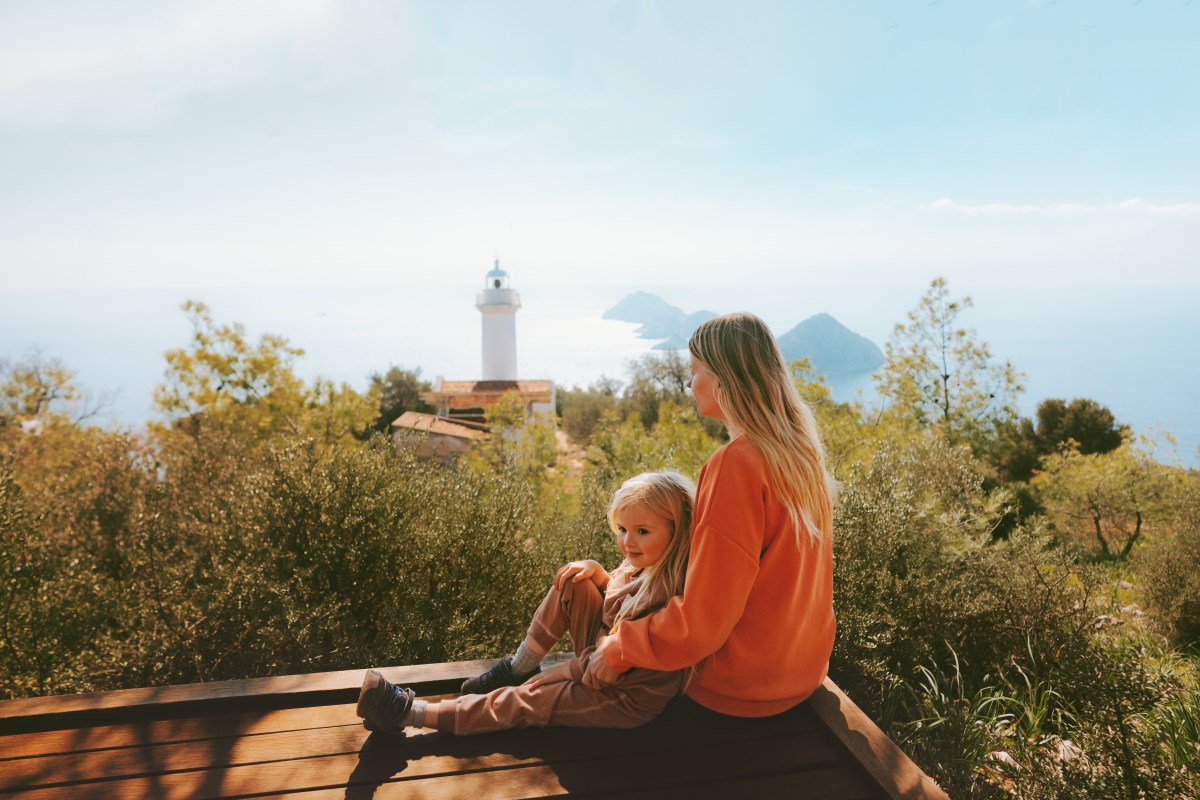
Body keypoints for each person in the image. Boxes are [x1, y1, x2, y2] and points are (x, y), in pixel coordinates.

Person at [582, 311, 836, 719]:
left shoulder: (736, 464)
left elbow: (704, 621)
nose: (689, 383)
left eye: (694, 371)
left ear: (723, 380)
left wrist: (621, 647)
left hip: (737, 689)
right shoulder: (800, 454)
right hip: (798, 675)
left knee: (586, 626)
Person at [355, 471, 696, 735]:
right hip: (601, 661)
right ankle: (521, 664)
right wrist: (600, 575)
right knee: (573, 583)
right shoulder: (647, 566)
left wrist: (554, 676)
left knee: (532, 699)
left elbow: (597, 671)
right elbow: (616, 609)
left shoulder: (661, 596)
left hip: (620, 696)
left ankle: (408, 713)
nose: (627, 542)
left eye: (642, 532)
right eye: (622, 529)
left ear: (677, 531)